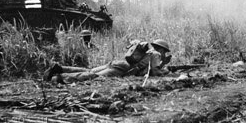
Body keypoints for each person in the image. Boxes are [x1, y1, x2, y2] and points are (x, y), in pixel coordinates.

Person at [44, 39, 172, 83]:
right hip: (124, 68)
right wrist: (164, 68)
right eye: (164, 51)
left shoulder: (148, 52)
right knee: (93, 76)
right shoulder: (156, 55)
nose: (163, 54)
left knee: (90, 70)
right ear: (161, 49)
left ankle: (60, 68)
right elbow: (153, 72)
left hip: (118, 63)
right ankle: (61, 77)